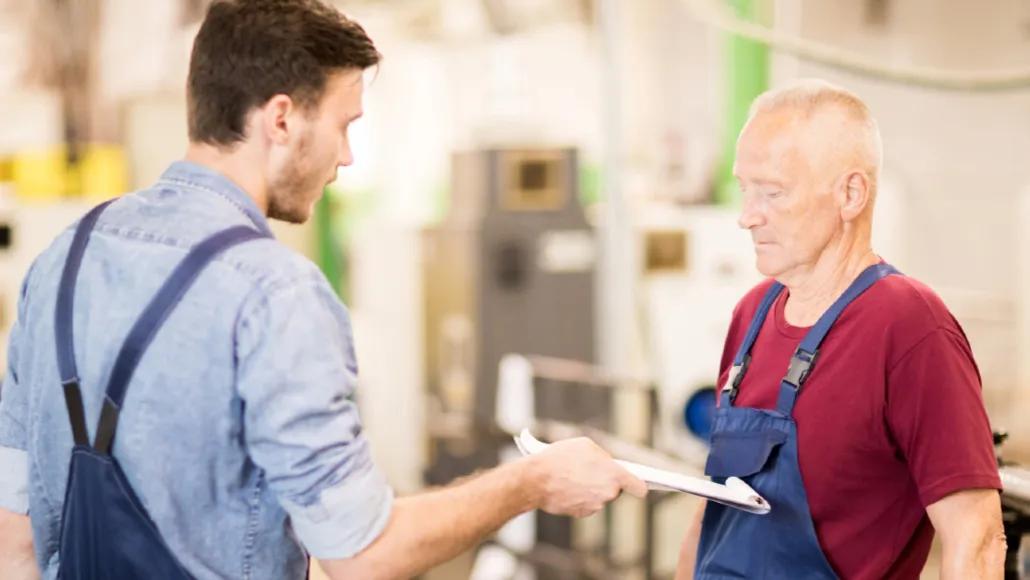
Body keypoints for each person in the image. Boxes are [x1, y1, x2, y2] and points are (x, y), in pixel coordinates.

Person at [0, 1, 647, 579]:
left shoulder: (64, 258)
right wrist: (531, 482)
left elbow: (13, 534)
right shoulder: (275, 292)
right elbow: (364, 555)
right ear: (281, 118)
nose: (347, 157)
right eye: (344, 123)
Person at [675, 80, 1005, 579]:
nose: (746, 217)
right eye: (745, 189)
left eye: (773, 193)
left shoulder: (909, 326)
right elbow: (716, 507)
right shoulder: (753, 314)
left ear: (850, 194)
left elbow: (976, 540)